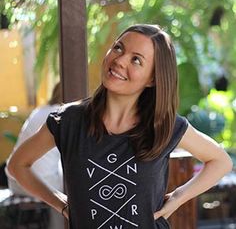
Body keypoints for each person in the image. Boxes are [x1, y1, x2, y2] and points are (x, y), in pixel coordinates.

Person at [7, 24, 232, 229]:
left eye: (136, 60)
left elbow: (220, 162)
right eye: (118, 48)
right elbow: (18, 165)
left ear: (152, 79)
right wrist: (62, 204)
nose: (120, 60)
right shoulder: (68, 121)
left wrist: (178, 198)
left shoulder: (164, 126)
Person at [6, 82, 64, 229]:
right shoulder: (63, 116)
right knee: (72, 187)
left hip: (14, 182)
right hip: (33, 181)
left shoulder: (39, 111)